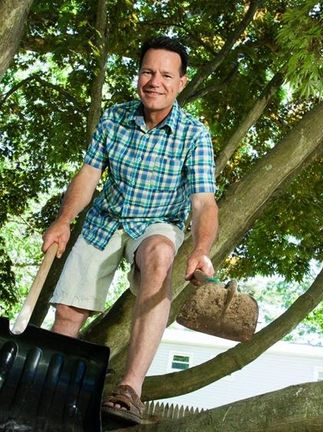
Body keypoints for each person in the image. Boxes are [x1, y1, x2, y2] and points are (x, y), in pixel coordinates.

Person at [41, 35, 218, 425]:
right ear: (138, 76)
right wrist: (63, 221)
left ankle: (130, 390)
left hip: (156, 222)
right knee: (68, 310)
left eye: (166, 75)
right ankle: (47, 385)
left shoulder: (195, 135)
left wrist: (201, 247)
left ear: (181, 83)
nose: (155, 81)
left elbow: (203, 202)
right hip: (107, 218)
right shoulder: (114, 118)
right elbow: (89, 175)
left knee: (159, 255)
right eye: (148, 72)